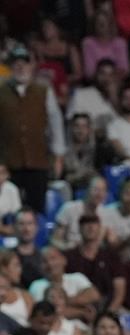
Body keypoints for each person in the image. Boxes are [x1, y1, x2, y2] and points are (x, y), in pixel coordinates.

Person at [0, 44, 67, 214]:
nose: (20, 67)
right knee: (10, 209)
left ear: (32, 66)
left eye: (25, 62)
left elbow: (55, 123)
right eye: (16, 63)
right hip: (8, 163)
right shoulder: (1, 91)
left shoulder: (44, 90)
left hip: (38, 161)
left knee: (37, 209)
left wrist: (58, 155)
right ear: (10, 66)